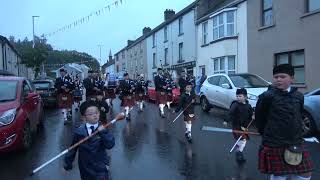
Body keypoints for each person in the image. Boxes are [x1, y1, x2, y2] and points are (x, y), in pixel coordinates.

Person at [255, 64, 313, 180]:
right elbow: (260, 119)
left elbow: (299, 115)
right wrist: (267, 134)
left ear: (291, 78)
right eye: (276, 77)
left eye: (282, 76)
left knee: (305, 173)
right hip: (275, 142)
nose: (278, 79)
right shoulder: (266, 97)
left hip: (295, 141)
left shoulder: (299, 96)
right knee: (279, 175)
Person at [63, 101, 115, 180]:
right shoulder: (79, 131)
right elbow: (72, 149)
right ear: (84, 117)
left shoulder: (103, 128)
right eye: (90, 114)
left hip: (100, 166)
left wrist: (103, 133)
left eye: (96, 113)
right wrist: (67, 164)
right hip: (85, 167)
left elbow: (110, 144)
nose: (94, 115)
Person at [226, 88, 254, 163]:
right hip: (237, 126)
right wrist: (226, 120)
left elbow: (251, 113)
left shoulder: (248, 105)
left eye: (240, 96)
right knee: (242, 139)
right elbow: (230, 112)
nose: (238, 98)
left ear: (245, 97)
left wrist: (253, 116)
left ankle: (239, 152)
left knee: (242, 140)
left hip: (245, 126)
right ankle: (239, 152)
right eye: (237, 96)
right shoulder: (235, 105)